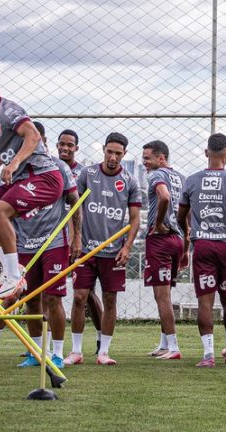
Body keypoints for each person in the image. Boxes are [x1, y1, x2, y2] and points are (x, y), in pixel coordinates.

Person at [0, 122, 80, 369]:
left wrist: (76, 237)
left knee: (54, 298)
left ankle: (57, 353)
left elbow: (74, 201)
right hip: (24, 244)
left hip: (53, 242)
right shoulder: (11, 169)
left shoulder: (57, 168)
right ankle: (36, 351)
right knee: (30, 299)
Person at [0, 70, 63, 301]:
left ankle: (13, 276)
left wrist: (16, 162)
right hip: (21, 179)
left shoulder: (10, 110)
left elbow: (33, 136)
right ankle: (11, 270)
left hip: (43, 177)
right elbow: (2, 153)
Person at [68, 132, 141, 366]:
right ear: (104, 150)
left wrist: (127, 247)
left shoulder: (130, 181)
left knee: (110, 299)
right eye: (109, 152)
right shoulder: (87, 174)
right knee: (80, 297)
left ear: (124, 154)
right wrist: (75, 238)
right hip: (86, 249)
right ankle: (76, 351)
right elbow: (74, 208)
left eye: (118, 153)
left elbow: (135, 218)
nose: (113, 157)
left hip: (113, 253)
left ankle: (104, 352)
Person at [177, 133, 226, 367]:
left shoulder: (191, 180)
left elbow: (181, 214)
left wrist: (187, 230)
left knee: (205, 301)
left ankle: (208, 355)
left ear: (206, 152)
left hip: (203, 245)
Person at [56, 129, 104, 355]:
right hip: (53, 238)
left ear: (76, 148)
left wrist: (80, 236)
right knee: (47, 294)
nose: (65, 148)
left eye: (70, 145)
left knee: (85, 293)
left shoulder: (84, 174)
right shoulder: (50, 168)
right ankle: (43, 346)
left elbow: (89, 208)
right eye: (62, 144)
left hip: (79, 240)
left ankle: (101, 337)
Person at [141, 140, 185, 360]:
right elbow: (186, 214)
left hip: (160, 239)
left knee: (162, 296)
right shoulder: (180, 177)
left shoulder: (156, 175)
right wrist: (186, 248)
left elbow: (164, 197)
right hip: (177, 239)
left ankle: (174, 347)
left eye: (147, 158)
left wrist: (158, 223)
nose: (144, 163)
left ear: (161, 158)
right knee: (166, 294)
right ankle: (164, 343)